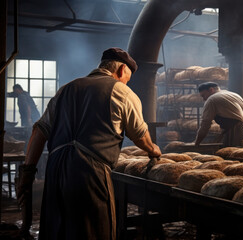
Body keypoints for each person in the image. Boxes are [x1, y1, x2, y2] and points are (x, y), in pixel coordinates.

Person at [16, 47, 161, 240]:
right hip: (90, 172)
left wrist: (28, 172)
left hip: (55, 169)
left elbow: (39, 130)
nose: (127, 81)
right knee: (95, 230)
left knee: (58, 228)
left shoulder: (65, 89)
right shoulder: (122, 92)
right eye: (128, 77)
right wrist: (153, 149)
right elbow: (140, 135)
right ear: (121, 70)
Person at [195, 82, 243, 147]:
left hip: (234, 133)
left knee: (232, 155)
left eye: (203, 95)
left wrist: (197, 143)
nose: (204, 99)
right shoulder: (234, 95)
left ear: (211, 90)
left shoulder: (212, 99)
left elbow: (205, 124)